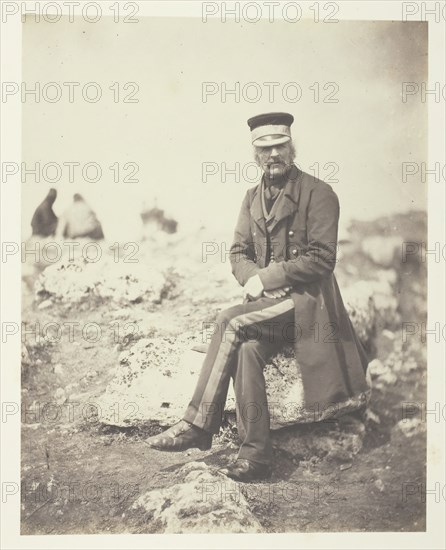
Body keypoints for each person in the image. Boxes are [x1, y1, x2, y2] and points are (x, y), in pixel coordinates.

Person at [145, 112, 370, 482]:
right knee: (246, 351)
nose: (273, 154)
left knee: (231, 320)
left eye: (280, 146)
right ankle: (255, 456)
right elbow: (237, 252)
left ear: (292, 147)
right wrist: (256, 280)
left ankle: (198, 424)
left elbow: (323, 258)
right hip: (269, 306)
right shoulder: (251, 198)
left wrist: (268, 277)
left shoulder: (319, 193)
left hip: (306, 305)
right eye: (264, 148)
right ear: (255, 154)